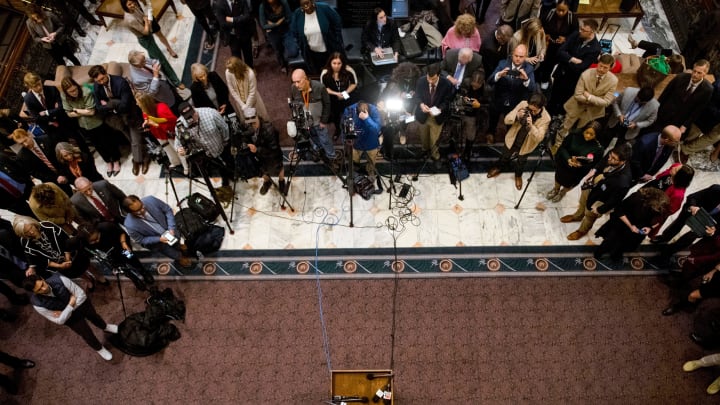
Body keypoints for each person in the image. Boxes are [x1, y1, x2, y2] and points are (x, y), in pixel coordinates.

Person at [22, 273, 117, 360]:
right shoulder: (37, 304)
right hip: (71, 318)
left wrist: (64, 312)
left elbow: (81, 295)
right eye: (39, 290)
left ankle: (105, 327)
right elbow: (59, 321)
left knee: (94, 317)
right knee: (87, 334)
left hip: (82, 305)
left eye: (42, 284)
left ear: (42, 278)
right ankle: (99, 348)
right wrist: (70, 305)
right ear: (34, 292)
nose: (44, 289)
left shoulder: (60, 279)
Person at [560, 143, 633, 240]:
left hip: (600, 198)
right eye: (610, 155)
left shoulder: (623, 181)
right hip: (592, 185)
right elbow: (602, 161)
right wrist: (594, 170)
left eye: (614, 159)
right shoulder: (613, 155)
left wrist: (600, 209)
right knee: (582, 202)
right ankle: (577, 216)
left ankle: (582, 231)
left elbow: (614, 200)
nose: (609, 159)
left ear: (623, 161)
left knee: (589, 217)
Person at [551, 53, 618, 154]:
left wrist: (589, 96)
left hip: (591, 112)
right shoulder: (586, 74)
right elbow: (578, 95)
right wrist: (597, 100)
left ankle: (570, 147)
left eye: (605, 68)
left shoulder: (613, 80)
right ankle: (557, 145)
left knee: (580, 131)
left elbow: (606, 102)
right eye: (600, 66)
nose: (601, 69)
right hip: (576, 107)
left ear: (610, 67)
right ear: (598, 63)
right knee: (565, 127)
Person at [12, 215, 106, 287]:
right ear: (22, 234)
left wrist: (67, 259)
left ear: (33, 223)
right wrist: (59, 265)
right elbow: (39, 260)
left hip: (71, 253)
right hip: (58, 263)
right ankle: (88, 280)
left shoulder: (48, 226)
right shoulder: (25, 242)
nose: (31, 232)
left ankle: (98, 276)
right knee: (76, 273)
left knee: (86, 265)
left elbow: (66, 240)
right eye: (27, 232)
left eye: (31, 228)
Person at [89, 64, 148, 176]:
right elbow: (98, 108)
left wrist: (111, 104)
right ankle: (143, 156)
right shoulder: (97, 86)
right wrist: (115, 104)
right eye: (98, 81)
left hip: (131, 115)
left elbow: (125, 105)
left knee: (135, 141)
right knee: (131, 139)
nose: (101, 82)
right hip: (116, 119)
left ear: (106, 73)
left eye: (102, 78)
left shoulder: (120, 82)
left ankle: (138, 161)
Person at [486, 93, 551, 190]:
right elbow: (506, 120)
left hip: (526, 145)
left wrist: (531, 126)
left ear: (541, 107)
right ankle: (498, 167)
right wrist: (516, 115)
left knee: (521, 162)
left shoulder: (546, 118)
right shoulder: (523, 104)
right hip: (512, 139)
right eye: (530, 109)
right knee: (504, 156)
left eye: (535, 111)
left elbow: (539, 138)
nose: (532, 112)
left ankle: (518, 176)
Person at [60, 77, 122, 177]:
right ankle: (108, 161)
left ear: (77, 86)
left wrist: (75, 110)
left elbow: (91, 111)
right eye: (71, 92)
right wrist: (82, 111)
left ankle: (116, 160)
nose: (74, 93)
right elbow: (68, 113)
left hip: (97, 122)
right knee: (98, 145)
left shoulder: (86, 92)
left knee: (108, 142)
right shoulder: (64, 96)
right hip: (84, 125)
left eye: (75, 89)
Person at [649, 184, 720, 267]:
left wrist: (713, 232)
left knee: (690, 238)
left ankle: (667, 253)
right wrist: (693, 207)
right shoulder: (716, 189)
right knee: (678, 224)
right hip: (693, 210)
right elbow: (692, 197)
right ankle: (663, 238)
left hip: (707, 223)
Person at [593, 187, 670, 262]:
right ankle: (598, 253)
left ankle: (615, 255)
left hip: (636, 230)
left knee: (624, 245)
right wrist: (630, 226)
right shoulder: (636, 197)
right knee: (610, 240)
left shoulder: (658, 207)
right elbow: (619, 210)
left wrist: (650, 227)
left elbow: (657, 220)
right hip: (622, 224)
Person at [546, 19, 601, 116]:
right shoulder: (576, 35)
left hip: (572, 80)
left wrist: (566, 58)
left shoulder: (595, 48)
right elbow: (560, 52)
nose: (581, 31)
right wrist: (572, 59)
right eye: (581, 28)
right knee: (552, 98)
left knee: (563, 102)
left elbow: (580, 67)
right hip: (560, 73)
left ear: (591, 32)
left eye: (584, 30)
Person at [121, 0, 182, 87]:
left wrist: (147, 20)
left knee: (155, 58)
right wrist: (147, 21)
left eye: (133, 2)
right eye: (129, 4)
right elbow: (145, 31)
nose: (133, 4)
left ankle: (162, 75)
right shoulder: (130, 19)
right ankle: (176, 82)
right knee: (162, 60)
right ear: (125, 6)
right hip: (145, 39)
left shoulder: (134, 8)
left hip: (148, 35)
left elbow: (145, 19)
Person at [647, 59, 713, 138]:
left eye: (699, 73)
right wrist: (655, 110)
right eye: (694, 71)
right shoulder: (680, 77)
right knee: (650, 134)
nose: (695, 74)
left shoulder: (707, 90)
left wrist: (685, 125)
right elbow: (665, 94)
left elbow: (698, 110)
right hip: (664, 113)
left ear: (705, 73)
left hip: (679, 120)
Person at [122, 195, 193, 267]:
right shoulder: (129, 225)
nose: (142, 210)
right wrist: (159, 239)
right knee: (169, 251)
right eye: (138, 211)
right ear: (130, 212)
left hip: (170, 230)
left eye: (142, 206)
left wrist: (171, 228)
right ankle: (179, 257)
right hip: (158, 243)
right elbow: (141, 240)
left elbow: (167, 210)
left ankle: (180, 245)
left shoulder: (151, 200)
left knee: (177, 240)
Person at [82, 222, 155, 291]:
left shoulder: (107, 226)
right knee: (122, 268)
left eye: (97, 237)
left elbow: (122, 233)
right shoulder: (84, 242)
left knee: (132, 259)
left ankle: (143, 272)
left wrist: (123, 243)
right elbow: (90, 252)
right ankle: (134, 278)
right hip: (110, 255)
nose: (97, 241)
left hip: (121, 247)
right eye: (93, 241)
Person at [174, 102, 234, 187]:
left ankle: (231, 175)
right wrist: (179, 149)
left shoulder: (211, 113)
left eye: (192, 115)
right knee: (215, 167)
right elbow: (177, 141)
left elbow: (224, 128)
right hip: (205, 154)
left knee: (228, 163)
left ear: (194, 109)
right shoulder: (180, 124)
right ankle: (223, 179)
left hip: (220, 146)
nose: (191, 119)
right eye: (188, 117)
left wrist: (225, 141)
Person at [487, 44, 536, 141]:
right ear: (512, 54)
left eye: (521, 57)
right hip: (499, 99)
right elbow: (490, 80)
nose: (518, 59)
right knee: (493, 119)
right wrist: (499, 75)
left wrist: (526, 79)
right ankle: (490, 133)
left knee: (511, 125)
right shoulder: (502, 64)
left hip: (515, 103)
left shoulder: (529, 68)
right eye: (516, 56)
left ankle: (509, 140)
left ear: (526, 57)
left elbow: (532, 88)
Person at [546, 121, 603, 203]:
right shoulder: (574, 135)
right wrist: (568, 159)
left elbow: (594, 164)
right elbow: (563, 148)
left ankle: (562, 193)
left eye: (592, 134)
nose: (588, 136)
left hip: (578, 171)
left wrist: (580, 165)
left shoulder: (598, 148)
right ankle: (556, 189)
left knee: (570, 184)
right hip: (564, 164)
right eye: (587, 132)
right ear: (584, 130)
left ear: (596, 135)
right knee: (559, 178)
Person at [289, 69, 337, 159]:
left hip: (319, 121)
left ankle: (332, 157)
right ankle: (319, 151)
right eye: (294, 82)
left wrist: (324, 120)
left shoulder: (319, 87)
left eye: (298, 82)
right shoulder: (293, 88)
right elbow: (293, 103)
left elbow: (327, 104)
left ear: (305, 78)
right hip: (305, 122)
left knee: (325, 139)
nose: (296, 85)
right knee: (312, 137)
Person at [9, 129, 72, 196]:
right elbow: (35, 173)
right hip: (52, 180)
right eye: (21, 143)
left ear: (29, 135)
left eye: (25, 140)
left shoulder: (46, 139)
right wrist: (56, 178)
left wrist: (62, 173)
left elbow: (59, 156)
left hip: (66, 170)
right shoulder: (22, 156)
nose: (25, 144)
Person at [135, 93, 187, 174]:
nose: (136, 104)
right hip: (159, 134)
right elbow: (146, 117)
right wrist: (146, 123)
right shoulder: (145, 109)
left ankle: (186, 166)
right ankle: (175, 162)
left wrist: (156, 124)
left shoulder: (162, 108)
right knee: (167, 149)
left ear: (145, 103)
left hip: (170, 134)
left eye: (138, 102)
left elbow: (173, 122)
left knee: (177, 149)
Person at [288, 0, 344, 74]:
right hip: (312, 53)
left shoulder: (324, 8)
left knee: (335, 71)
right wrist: (300, 45)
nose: (306, 7)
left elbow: (337, 22)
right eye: (303, 5)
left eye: (307, 3)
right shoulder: (297, 13)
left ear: (313, 1)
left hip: (330, 50)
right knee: (318, 72)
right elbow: (294, 32)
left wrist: (337, 39)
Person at [414, 64, 454, 164]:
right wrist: (421, 104)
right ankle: (424, 150)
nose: (430, 81)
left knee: (434, 138)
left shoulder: (446, 84)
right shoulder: (421, 81)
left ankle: (435, 155)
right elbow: (417, 96)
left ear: (439, 75)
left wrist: (440, 109)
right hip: (423, 114)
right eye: (429, 78)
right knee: (424, 137)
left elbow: (447, 100)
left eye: (433, 79)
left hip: (437, 116)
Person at [642, 163, 695, 239]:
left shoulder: (678, 194)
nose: (674, 167)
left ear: (679, 177)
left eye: (676, 170)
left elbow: (671, 210)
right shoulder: (676, 166)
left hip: (652, 209)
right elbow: (659, 177)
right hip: (648, 192)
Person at [342, 101, 383, 193]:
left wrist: (367, 118)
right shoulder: (349, 110)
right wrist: (345, 141)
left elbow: (376, 129)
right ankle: (356, 173)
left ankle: (370, 171)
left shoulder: (375, 110)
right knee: (354, 160)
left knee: (372, 160)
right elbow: (343, 127)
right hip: (356, 142)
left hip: (371, 141)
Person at [537, 0, 578, 87]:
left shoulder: (572, 18)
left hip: (561, 47)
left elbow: (575, 33)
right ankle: (539, 78)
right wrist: (544, 34)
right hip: (547, 44)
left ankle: (545, 80)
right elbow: (539, 25)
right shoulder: (549, 13)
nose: (560, 13)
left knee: (552, 64)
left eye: (563, 11)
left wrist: (566, 39)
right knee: (542, 61)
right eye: (558, 10)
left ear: (568, 9)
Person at [242, 116, 286, 196]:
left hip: (272, 156)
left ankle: (281, 181)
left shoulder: (269, 130)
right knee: (261, 170)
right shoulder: (249, 127)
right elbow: (244, 136)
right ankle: (267, 181)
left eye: (254, 123)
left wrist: (257, 150)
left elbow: (274, 149)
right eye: (250, 124)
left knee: (278, 168)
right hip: (259, 156)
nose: (252, 126)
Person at [320, 52, 357, 139]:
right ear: (330, 63)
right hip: (333, 97)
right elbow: (325, 88)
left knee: (349, 113)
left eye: (339, 63)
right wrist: (336, 93)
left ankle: (350, 130)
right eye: (334, 63)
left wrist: (345, 93)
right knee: (335, 115)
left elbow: (354, 84)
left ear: (342, 63)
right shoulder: (325, 73)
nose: (336, 66)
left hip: (346, 95)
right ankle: (338, 130)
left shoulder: (349, 70)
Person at [226, 56, 269, 123]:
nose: (231, 73)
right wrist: (242, 105)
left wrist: (247, 106)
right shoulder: (228, 72)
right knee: (248, 121)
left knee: (259, 119)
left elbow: (252, 92)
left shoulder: (250, 74)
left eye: (233, 71)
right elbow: (232, 90)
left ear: (238, 68)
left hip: (252, 100)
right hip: (240, 102)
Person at [214, 0, 256, 67]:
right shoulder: (219, 4)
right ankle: (241, 73)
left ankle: (250, 69)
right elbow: (223, 24)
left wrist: (232, 19)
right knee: (236, 58)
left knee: (248, 54)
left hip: (244, 32)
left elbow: (247, 16)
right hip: (232, 37)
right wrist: (240, 20)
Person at [259, 0, 296, 74]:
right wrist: (277, 23)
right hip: (273, 33)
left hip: (285, 30)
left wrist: (271, 24)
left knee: (293, 52)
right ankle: (283, 66)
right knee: (278, 51)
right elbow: (263, 25)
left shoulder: (284, 2)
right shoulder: (262, 6)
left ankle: (290, 62)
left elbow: (289, 18)